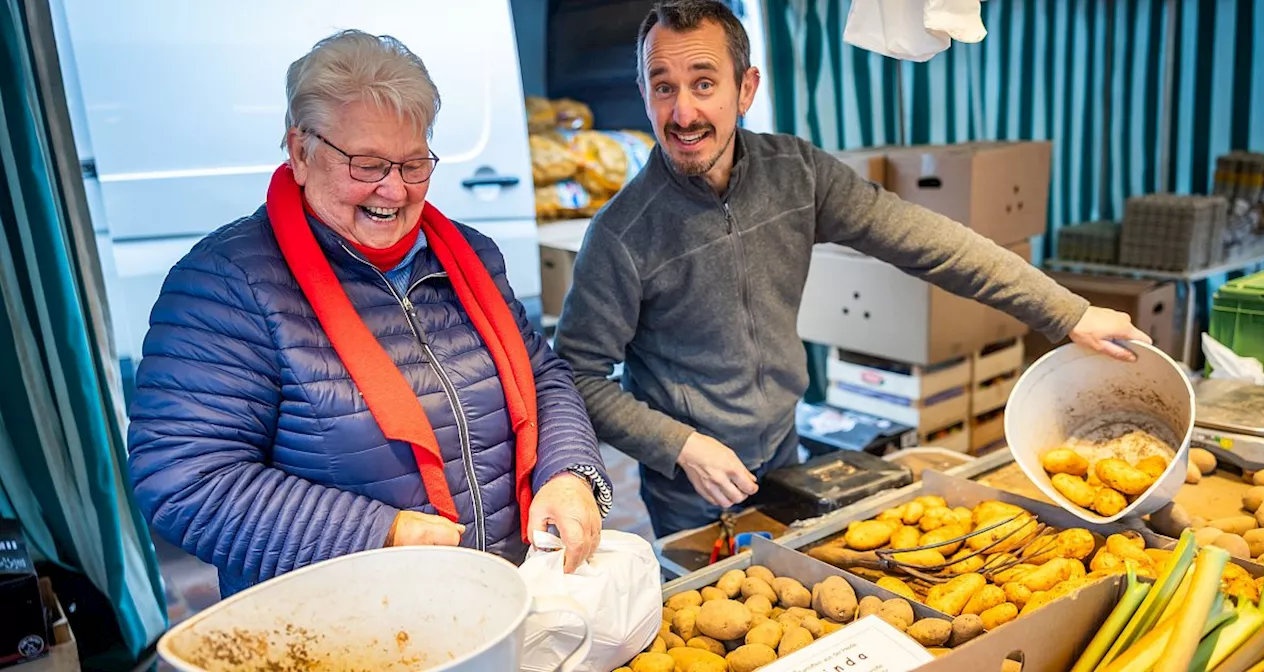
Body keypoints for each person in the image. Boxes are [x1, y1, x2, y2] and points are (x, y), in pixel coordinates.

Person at [552, 0, 1150, 538]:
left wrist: (1068, 311)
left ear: (746, 88)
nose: (683, 112)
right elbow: (577, 375)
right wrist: (680, 446)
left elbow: (931, 242)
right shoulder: (621, 234)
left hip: (785, 449)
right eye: (664, 87)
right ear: (644, 91)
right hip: (690, 485)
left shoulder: (799, 174)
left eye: (704, 83)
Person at [127, 30, 610, 596]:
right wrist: (381, 534)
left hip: (498, 598)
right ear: (301, 151)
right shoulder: (226, 284)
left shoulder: (470, 256)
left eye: (413, 163)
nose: (395, 190)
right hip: (346, 623)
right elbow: (186, 480)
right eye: (367, 164)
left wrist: (570, 471)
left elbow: (543, 378)